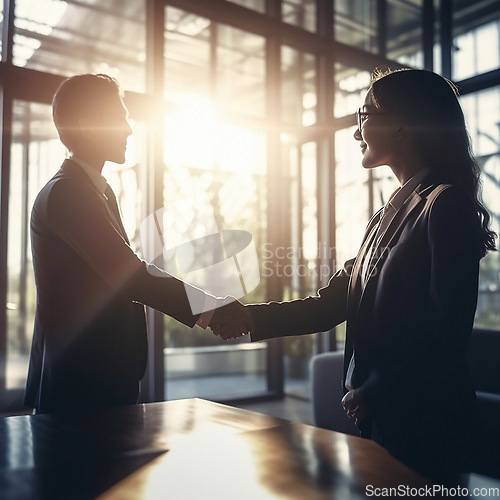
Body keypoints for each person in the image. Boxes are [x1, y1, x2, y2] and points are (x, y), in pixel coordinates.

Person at [211, 68, 497, 483]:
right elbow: (330, 305)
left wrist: (374, 391)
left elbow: (446, 333)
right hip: (382, 419)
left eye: (365, 113)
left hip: (427, 422)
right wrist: (249, 316)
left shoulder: (444, 204)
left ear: (401, 125)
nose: (356, 131)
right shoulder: (384, 217)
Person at [25, 74, 242, 414]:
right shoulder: (68, 193)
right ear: (87, 125)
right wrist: (210, 308)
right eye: (119, 118)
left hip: (99, 383)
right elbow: (130, 275)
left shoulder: (97, 191)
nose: (128, 129)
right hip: (80, 392)